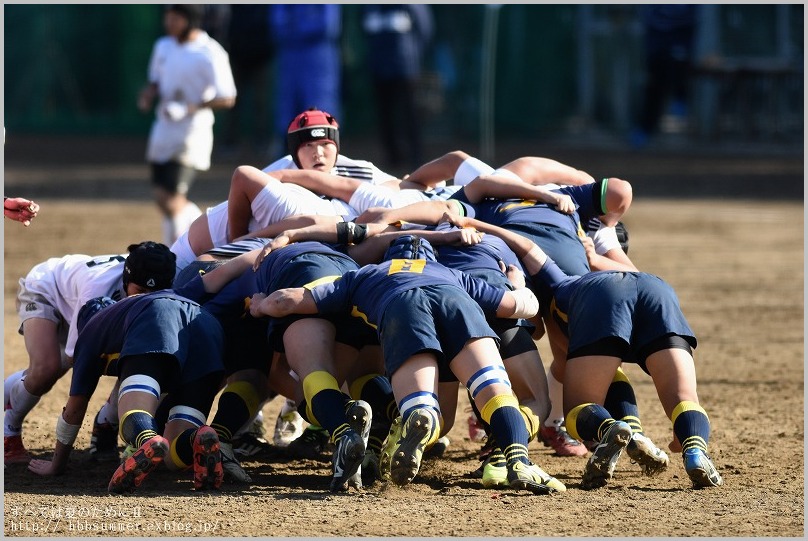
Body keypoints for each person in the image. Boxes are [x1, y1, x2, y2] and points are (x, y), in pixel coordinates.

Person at [251, 235, 566, 494]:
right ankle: (519, 461)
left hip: (402, 306)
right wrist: (518, 284)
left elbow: (288, 300)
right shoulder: (452, 272)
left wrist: (262, 304)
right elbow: (519, 307)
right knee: (493, 388)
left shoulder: (365, 274)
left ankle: (420, 414)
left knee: (419, 402)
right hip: (455, 301)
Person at [449, 214, 722, 489]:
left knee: (577, 410)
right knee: (684, 399)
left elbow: (524, 246)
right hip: (655, 288)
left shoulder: (556, 280)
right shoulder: (594, 261)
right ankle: (695, 450)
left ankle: (608, 428)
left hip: (601, 296)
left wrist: (477, 225)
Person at [27, 292, 227, 493]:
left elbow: (74, 410)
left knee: (134, 412)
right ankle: (198, 438)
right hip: (209, 326)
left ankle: (146, 438)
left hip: (157, 317)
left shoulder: (92, 329)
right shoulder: (127, 310)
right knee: (173, 456)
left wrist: (57, 464)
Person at [4, 242, 177, 465]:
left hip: (75, 298)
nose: (146, 299)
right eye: (140, 291)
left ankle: (105, 423)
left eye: (155, 293)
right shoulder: (97, 288)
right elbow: (79, 355)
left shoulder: (155, 277)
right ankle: (9, 432)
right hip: (46, 288)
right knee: (47, 368)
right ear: (126, 281)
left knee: (138, 359)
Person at [138, 4, 237, 246]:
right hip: (163, 129)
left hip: (192, 132)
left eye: (175, 18)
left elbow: (228, 97)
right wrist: (148, 95)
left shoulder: (210, 52)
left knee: (171, 198)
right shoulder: (163, 46)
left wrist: (189, 107)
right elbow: (156, 81)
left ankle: (183, 243)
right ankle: (187, 234)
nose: (169, 23)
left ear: (190, 20)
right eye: (167, 18)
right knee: (162, 197)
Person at [361, 5, 434, 172]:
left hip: (404, 68)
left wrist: (413, 55)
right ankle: (393, 158)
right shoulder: (369, 7)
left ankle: (417, 158)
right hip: (379, 69)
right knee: (385, 115)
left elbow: (425, 29)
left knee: (410, 115)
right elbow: (364, 30)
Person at [267, 5, 342, 160]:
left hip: (318, 57)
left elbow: (328, 25)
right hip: (290, 57)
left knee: (319, 111)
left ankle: (326, 160)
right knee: (288, 107)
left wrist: (297, 26)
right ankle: (289, 158)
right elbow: (277, 24)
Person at [630, 5, 697, 149]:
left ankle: (680, 99)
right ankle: (645, 129)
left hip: (682, 30)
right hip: (656, 30)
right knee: (654, 83)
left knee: (678, 65)